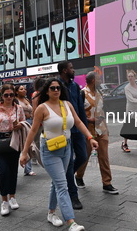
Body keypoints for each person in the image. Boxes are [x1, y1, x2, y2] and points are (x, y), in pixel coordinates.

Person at [19, 78, 98, 231]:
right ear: (47, 91)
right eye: (53, 88)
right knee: (62, 185)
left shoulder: (67, 105)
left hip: (66, 147)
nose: (56, 90)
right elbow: (34, 130)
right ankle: (71, 222)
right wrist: (24, 152)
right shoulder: (42, 108)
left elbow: (78, 122)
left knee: (56, 182)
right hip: (49, 149)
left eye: (58, 88)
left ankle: (51, 213)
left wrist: (90, 138)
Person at [0, 84, 25, 216]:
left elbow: (24, 123)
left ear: (14, 95)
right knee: (3, 171)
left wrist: (19, 125)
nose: (9, 97)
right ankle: (4, 200)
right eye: (6, 95)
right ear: (1, 96)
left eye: (11, 95)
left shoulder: (19, 108)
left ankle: (12, 196)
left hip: (14, 141)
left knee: (13, 170)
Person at [75, 72, 118, 194]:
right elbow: (77, 114)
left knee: (104, 156)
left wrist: (106, 127)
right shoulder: (82, 93)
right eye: (99, 78)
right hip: (88, 130)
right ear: (93, 80)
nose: (101, 80)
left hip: (101, 129)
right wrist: (89, 119)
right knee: (85, 155)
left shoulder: (99, 93)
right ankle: (79, 176)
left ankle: (107, 183)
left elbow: (102, 111)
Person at [57, 60, 88, 210]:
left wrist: (86, 131)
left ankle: (65, 177)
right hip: (63, 130)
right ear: (64, 70)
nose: (73, 70)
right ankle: (73, 195)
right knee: (68, 163)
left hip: (77, 129)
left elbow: (80, 108)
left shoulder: (75, 86)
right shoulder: (55, 86)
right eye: (71, 68)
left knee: (82, 156)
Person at [16, 85, 35, 176]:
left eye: (24, 89)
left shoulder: (26, 100)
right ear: (16, 92)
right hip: (22, 124)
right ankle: (26, 167)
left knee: (29, 145)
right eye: (21, 89)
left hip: (30, 123)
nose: (24, 90)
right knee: (24, 145)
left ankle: (28, 168)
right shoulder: (16, 101)